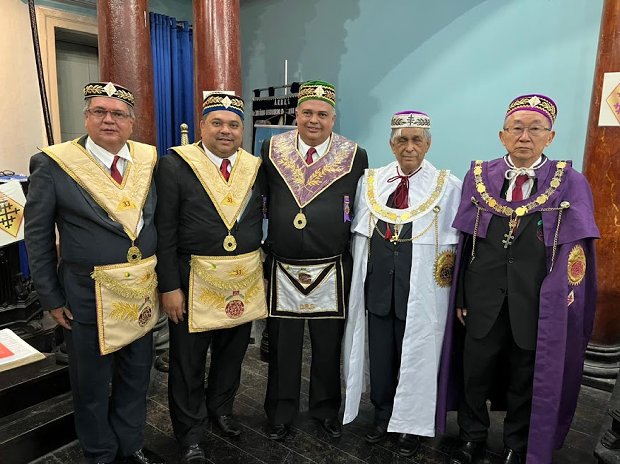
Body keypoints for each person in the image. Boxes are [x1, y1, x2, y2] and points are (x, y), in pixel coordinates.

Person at [440, 94, 599, 464]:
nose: (525, 137)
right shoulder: (479, 177)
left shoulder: (571, 182)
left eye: (535, 129)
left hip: (535, 301)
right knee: (474, 372)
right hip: (482, 298)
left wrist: (560, 299)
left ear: (550, 137)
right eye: (516, 129)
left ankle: (516, 443)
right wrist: (462, 295)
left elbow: (576, 253)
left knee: (524, 376)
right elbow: (466, 243)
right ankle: (471, 436)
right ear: (502, 135)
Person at [24, 82, 163, 464]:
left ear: (131, 122)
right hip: (86, 295)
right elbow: (37, 235)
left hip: (140, 292)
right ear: (86, 118)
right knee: (91, 383)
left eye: (118, 113)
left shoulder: (147, 159)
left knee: (137, 375)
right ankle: (100, 452)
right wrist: (50, 297)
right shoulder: (55, 164)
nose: (108, 120)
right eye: (99, 111)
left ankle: (130, 444)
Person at [155, 93, 267, 464]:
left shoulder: (255, 167)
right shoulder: (175, 166)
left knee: (232, 353)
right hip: (192, 279)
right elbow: (164, 231)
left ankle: (221, 410)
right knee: (188, 362)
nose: (225, 130)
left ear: (242, 130)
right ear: (202, 125)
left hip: (242, 279)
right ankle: (190, 433)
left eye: (233, 124)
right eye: (216, 122)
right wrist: (169, 286)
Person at [342, 110, 462, 457]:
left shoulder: (447, 187)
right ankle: (382, 415)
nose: (409, 147)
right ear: (391, 144)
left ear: (428, 144)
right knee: (381, 358)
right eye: (402, 140)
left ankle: (411, 424)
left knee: (417, 357)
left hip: (420, 295)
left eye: (416, 140)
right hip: (379, 290)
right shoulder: (371, 182)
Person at [261, 80, 368, 440]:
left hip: (331, 264)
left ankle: (325, 409)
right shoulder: (271, 148)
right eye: (307, 112)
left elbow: (358, 207)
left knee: (327, 346)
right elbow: (264, 197)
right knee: (283, 346)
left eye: (322, 114)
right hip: (283, 263)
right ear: (296, 114)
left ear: (333, 119)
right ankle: (280, 412)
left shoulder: (355, 154)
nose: (314, 120)